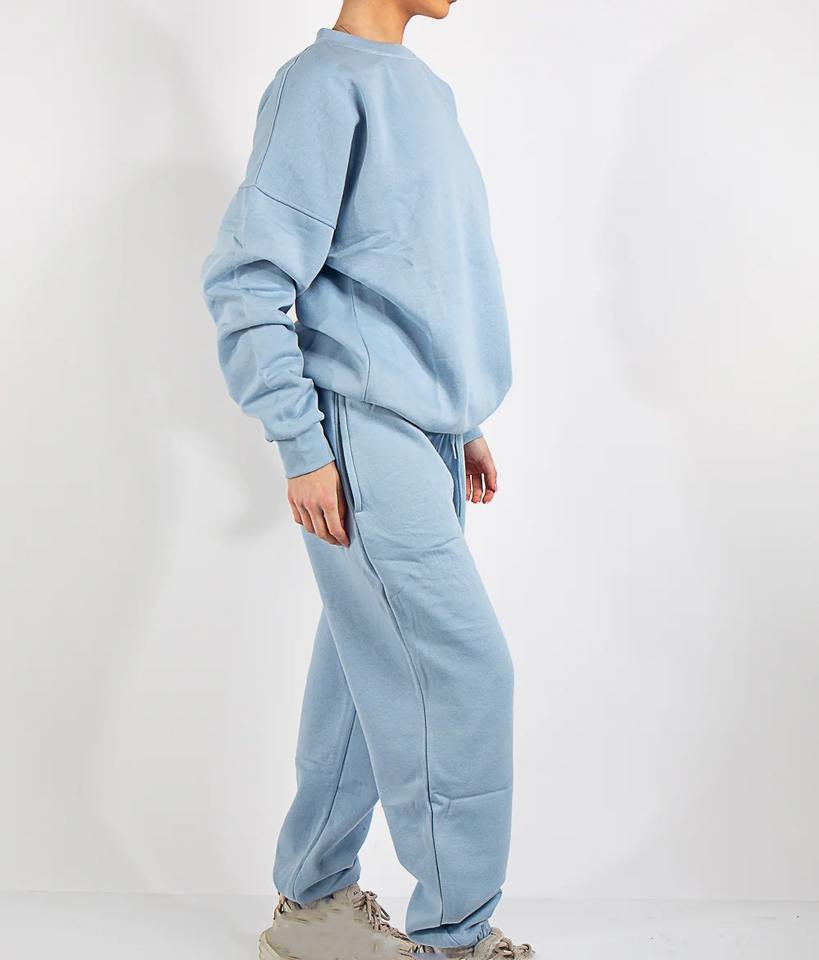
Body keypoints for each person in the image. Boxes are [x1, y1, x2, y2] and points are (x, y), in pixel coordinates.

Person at [202, 1, 530, 957]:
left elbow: (417, 276)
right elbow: (247, 280)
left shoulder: (426, 91)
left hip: (426, 433)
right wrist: (302, 446)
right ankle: (455, 940)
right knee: (465, 670)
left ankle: (312, 905)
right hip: (361, 430)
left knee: (364, 667)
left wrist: (461, 417)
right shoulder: (319, 87)